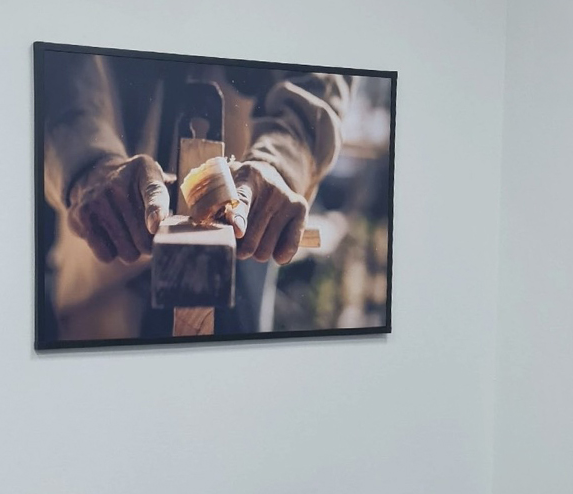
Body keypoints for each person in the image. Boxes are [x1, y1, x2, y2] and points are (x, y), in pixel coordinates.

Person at [41, 53, 350, 338]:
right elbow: (57, 64)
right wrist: (87, 164)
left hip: (246, 220)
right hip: (109, 223)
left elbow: (321, 69)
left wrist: (280, 160)